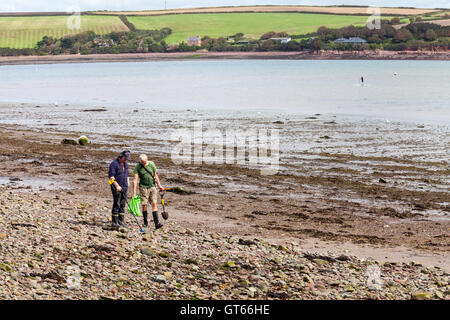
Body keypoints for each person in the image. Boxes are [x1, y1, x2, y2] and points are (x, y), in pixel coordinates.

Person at [132, 154, 164, 229]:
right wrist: (134, 192)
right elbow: (135, 180)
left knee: (154, 203)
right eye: (142, 162)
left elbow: (156, 176)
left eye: (144, 162)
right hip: (143, 188)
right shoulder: (138, 166)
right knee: (144, 204)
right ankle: (145, 222)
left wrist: (159, 186)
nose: (143, 163)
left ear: (147, 160)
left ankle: (157, 223)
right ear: (140, 161)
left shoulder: (152, 164)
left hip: (152, 186)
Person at [108, 150, 130, 229]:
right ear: (121, 156)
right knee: (117, 203)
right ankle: (114, 222)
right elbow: (111, 178)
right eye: (125, 158)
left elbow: (127, 175)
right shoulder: (114, 164)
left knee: (122, 204)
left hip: (124, 187)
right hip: (116, 187)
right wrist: (117, 186)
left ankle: (121, 221)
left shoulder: (126, 164)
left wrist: (128, 183)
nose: (126, 160)